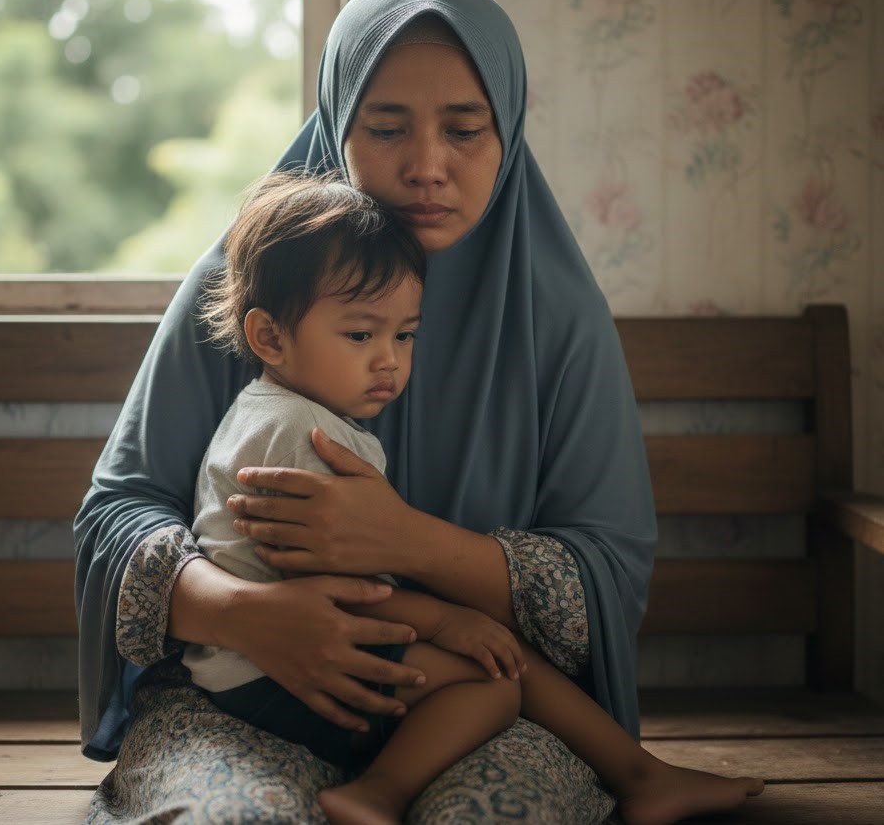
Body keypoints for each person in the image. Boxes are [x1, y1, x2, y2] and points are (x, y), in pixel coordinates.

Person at [74, 0, 692, 824]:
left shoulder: (557, 316)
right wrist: (251, 614)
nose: (427, 166)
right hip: (235, 698)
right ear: (336, 123)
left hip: (475, 700)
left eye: (465, 129)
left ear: (507, 130)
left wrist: (411, 541)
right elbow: (117, 516)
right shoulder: (251, 288)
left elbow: (606, 577)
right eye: (387, 126)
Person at [180, 172, 763, 825]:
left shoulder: (266, 414)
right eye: (360, 334)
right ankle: (382, 790)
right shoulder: (305, 437)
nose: (389, 362)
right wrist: (442, 620)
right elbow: (332, 599)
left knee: (496, 651)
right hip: (280, 676)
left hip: (254, 670)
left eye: (404, 335)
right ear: (270, 337)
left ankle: (643, 774)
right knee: (496, 681)